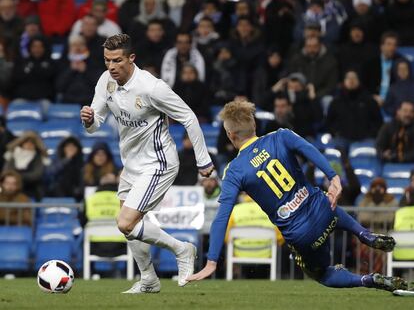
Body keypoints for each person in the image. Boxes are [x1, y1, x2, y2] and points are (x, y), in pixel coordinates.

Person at [188, 100, 408, 292]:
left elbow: (222, 217)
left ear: (230, 135)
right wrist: (333, 176)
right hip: (322, 209)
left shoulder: (233, 170)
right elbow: (311, 151)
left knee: (323, 274)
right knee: (326, 202)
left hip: (301, 235)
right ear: (254, 125)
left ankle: (368, 279)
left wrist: (212, 261)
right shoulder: (281, 135)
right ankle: (365, 234)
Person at [80, 34, 214, 293]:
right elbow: (94, 125)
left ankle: (182, 249)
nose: (111, 66)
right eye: (107, 60)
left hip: (158, 162)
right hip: (131, 164)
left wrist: (203, 161)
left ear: (131, 58)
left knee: (125, 222)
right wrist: (88, 120)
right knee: (130, 228)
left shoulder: (152, 87)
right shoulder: (105, 81)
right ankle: (149, 280)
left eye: (117, 60)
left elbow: (188, 117)